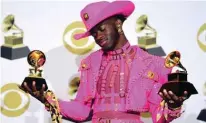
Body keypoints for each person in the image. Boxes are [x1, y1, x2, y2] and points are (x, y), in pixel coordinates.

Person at [21, 1, 189, 123]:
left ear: (118, 24)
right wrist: (47, 99)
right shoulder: (91, 63)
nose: (98, 36)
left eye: (101, 29)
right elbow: (83, 112)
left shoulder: (151, 63)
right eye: (93, 33)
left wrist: (174, 106)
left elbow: (157, 117)